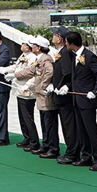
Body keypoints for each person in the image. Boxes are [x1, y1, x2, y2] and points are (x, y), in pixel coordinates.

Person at [59, 31, 97, 169]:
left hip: (87, 100)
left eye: (67, 42)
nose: (65, 45)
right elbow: (76, 78)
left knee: (91, 131)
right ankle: (86, 156)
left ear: (72, 44)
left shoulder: (90, 56)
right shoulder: (75, 56)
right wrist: (67, 86)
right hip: (77, 99)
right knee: (81, 131)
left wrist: (95, 91)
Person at [0, 39, 41, 152]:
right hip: (19, 90)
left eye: (23, 44)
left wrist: (27, 85)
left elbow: (34, 74)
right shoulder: (23, 55)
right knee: (22, 117)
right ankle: (27, 138)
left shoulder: (33, 58)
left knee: (28, 118)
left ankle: (34, 141)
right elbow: (16, 67)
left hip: (27, 91)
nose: (21, 45)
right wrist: (5, 70)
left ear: (28, 47)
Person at [34, 29, 67, 159]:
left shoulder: (46, 59)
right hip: (42, 96)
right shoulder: (42, 58)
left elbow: (50, 72)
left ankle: (53, 148)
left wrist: (45, 85)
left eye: (55, 35)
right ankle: (46, 144)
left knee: (50, 124)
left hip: (47, 96)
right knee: (45, 122)